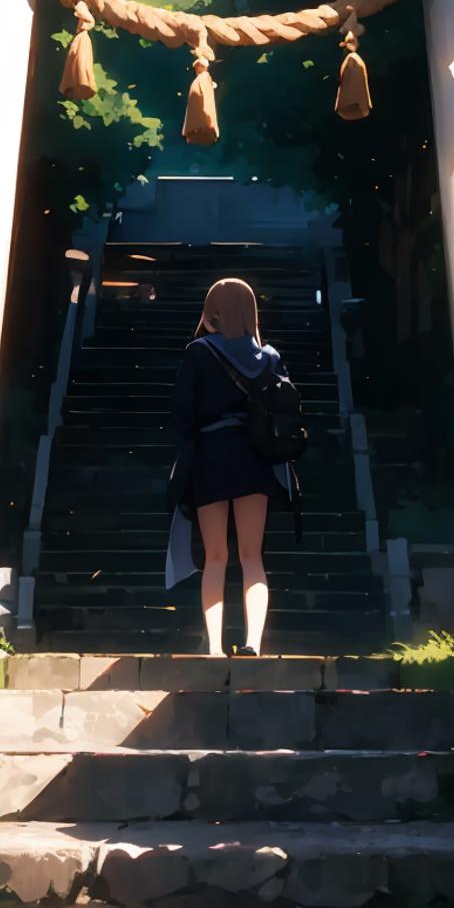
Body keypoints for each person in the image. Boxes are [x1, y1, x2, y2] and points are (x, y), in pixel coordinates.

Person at [166, 277, 298, 658]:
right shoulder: (269, 357)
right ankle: (254, 641)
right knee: (253, 556)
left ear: (213, 312)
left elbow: (183, 414)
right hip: (254, 457)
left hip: (210, 456)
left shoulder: (198, 352)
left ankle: (216, 646)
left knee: (215, 556)